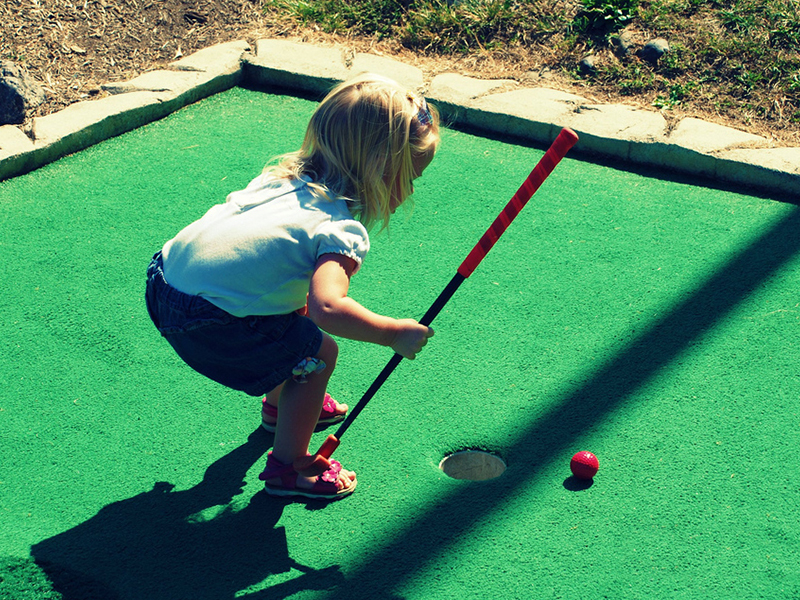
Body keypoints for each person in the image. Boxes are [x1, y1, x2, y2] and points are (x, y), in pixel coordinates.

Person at [145, 74, 439, 500]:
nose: (409, 190)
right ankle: (290, 469)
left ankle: (281, 406)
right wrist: (393, 333)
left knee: (286, 311)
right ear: (379, 172)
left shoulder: (279, 180)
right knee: (317, 353)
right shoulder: (339, 226)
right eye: (409, 177)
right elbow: (328, 308)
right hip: (207, 322)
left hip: (162, 284)